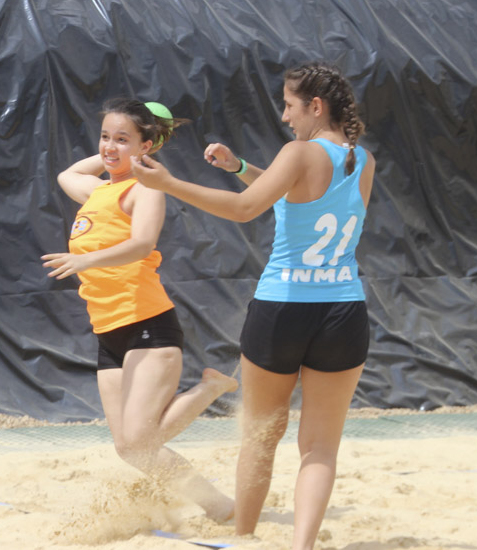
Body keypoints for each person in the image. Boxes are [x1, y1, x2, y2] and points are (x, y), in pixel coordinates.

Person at [133, 62, 375, 550]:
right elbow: (298, 199)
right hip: (343, 310)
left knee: (262, 437)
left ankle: (244, 538)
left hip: (283, 308)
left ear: (315, 106)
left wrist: (169, 184)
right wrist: (240, 168)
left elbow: (248, 210)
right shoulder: (361, 159)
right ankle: (302, 546)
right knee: (320, 449)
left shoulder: (299, 152)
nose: (285, 117)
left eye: (288, 105)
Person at [42, 97, 237, 521]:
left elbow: (142, 244)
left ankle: (210, 388)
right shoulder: (98, 190)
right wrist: (123, 147)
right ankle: (222, 507)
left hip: (148, 324)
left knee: (138, 442)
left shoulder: (146, 188)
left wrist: (85, 260)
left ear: (147, 147)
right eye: (105, 137)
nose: (110, 147)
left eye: (122, 139)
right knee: (131, 449)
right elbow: (66, 173)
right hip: (109, 333)